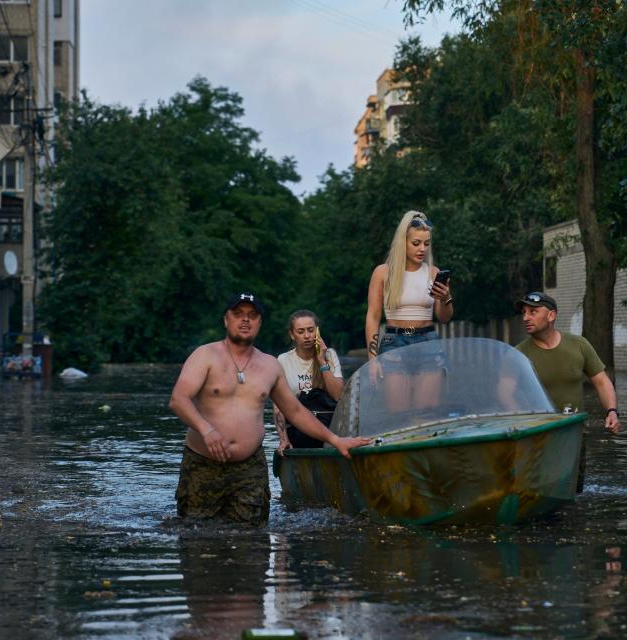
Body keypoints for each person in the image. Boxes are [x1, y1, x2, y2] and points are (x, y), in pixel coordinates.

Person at [169, 292, 370, 525]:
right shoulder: (205, 355)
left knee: (253, 545)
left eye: (252, 315)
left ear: (259, 323)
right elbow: (179, 399)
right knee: (197, 540)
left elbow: (295, 412)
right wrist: (207, 430)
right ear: (226, 320)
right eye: (238, 314)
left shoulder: (269, 365)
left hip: (249, 469)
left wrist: (335, 440)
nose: (245, 320)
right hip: (203, 463)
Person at [365, 210, 454, 413]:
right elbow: (373, 317)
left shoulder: (433, 272)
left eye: (426, 243)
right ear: (402, 242)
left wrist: (446, 297)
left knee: (427, 414)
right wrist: (372, 359)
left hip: (428, 342)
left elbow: (444, 318)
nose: (422, 249)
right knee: (399, 415)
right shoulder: (383, 273)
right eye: (416, 243)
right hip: (394, 343)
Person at [514, 291, 621, 434]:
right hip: (537, 437)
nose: (526, 317)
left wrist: (612, 411)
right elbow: (504, 392)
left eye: (533, 312)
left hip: (575, 436)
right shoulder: (518, 354)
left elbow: (602, 381)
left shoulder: (579, 345)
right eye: (524, 312)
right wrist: (522, 423)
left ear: (551, 315)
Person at [274, 310, 344, 453]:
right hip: (298, 428)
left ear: (317, 331)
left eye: (311, 330)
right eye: (300, 331)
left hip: (328, 425)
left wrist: (322, 361)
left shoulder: (329, 355)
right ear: (292, 335)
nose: (307, 336)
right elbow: (278, 406)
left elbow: (338, 396)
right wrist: (283, 439)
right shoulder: (283, 360)